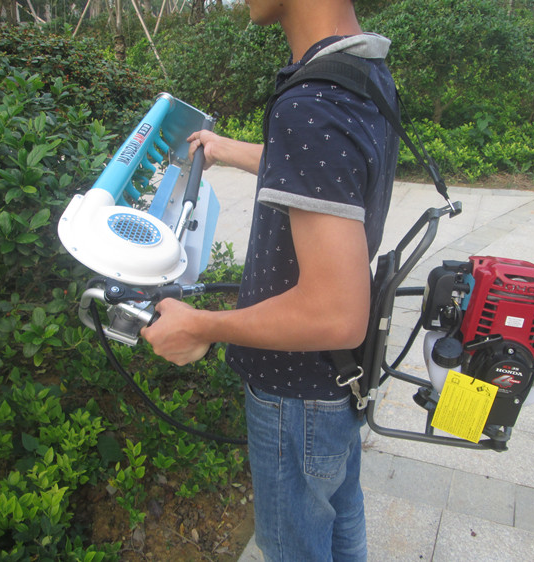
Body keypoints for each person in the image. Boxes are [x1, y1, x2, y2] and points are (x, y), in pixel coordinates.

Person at [141, 0, 399, 559]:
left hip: (294, 394)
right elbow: (327, 168)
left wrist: (200, 325)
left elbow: (335, 314)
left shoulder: (313, 104)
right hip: (337, 382)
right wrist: (227, 149)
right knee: (342, 524)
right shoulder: (362, 69)